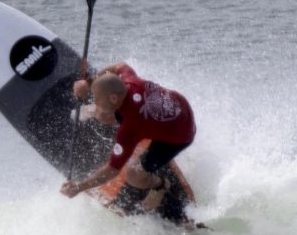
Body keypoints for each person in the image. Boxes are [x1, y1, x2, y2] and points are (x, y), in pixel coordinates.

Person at [59, 62, 196, 213]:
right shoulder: (129, 79)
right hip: (181, 106)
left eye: (96, 99)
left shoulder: (130, 128)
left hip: (180, 136)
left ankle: (160, 185)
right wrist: (88, 82)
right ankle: (97, 112)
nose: (95, 100)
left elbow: (112, 170)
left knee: (133, 175)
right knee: (104, 113)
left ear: (112, 98)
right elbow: (119, 65)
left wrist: (79, 187)